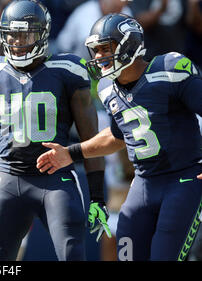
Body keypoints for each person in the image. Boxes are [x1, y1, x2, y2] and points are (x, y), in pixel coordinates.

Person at [37, 13, 202, 261]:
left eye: (105, 48)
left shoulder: (170, 69)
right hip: (144, 183)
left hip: (183, 180)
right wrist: (70, 153)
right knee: (126, 251)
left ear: (129, 44)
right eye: (95, 50)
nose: (99, 56)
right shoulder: (107, 89)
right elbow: (117, 136)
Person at [0, 0, 110, 261]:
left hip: (56, 180)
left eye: (25, 35)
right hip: (9, 178)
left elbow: (91, 137)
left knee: (72, 253)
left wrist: (98, 195)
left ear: (42, 34)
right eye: (12, 35)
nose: (17, 43)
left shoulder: (67, 69)